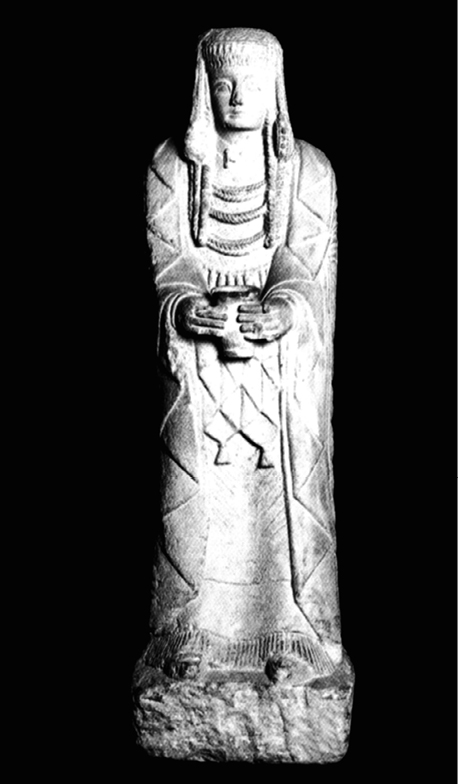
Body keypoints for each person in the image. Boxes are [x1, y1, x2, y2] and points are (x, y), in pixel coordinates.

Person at [144, 28, 342, 683]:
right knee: (195, 480)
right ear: (204, 87)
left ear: (275, 91)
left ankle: (291, 627)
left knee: (278, 484)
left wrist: (284, 309)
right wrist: (184, 306)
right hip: (199, 360)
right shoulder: (172, 168)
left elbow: (302, 263)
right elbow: (170, 263)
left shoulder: (308, 171)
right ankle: (188, 624)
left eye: (253, 85)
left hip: (275, 359)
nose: (236, 97)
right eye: (224, 83)